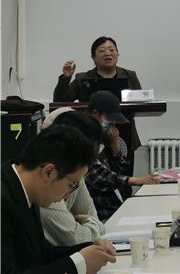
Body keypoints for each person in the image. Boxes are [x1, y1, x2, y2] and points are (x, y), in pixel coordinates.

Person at [1, 125, 116, 274]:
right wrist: (77, 266)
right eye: (72, 185)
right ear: (48, 172)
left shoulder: (26, 191)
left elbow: (41, 256)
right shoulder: (4, 201)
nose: (67, 195)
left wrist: (89, 249)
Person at [53, 36, 141, 174]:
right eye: (102, 50)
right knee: (95, 177)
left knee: (123, 175)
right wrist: (66, 78)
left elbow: (140, 102)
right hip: (91, 136)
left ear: (117, 54)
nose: (108, 53)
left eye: (112, 50)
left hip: (124, 134)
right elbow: (60, 102)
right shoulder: (82, 78)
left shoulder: (130, 76)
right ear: (93, 57)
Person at [84, 91, 162, 221]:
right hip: (102, 214)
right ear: (95, 113)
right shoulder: (83, 138)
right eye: (109, 120)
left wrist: (115, 148)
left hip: (117, 208)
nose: (112, 125)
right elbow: (97, 176)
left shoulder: (102, 138)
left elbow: (121, 173)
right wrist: (137, 180)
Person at [39, 110, 106, 246]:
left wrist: (90, 224)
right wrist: (92, 225)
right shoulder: (48, 182)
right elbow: (77, 239)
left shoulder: (74, 172)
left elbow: (92, 218)